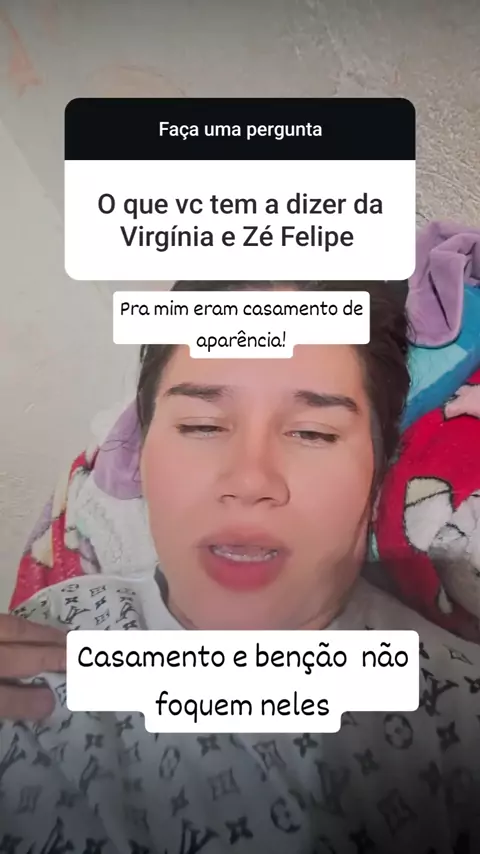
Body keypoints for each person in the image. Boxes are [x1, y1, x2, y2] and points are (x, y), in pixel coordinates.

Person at [0, 280, 479, 854]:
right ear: (140, 452)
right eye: (202, 426)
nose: (250, 480)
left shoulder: (461, 715)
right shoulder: (41, 643)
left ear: (380, 472)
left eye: (313, 433)